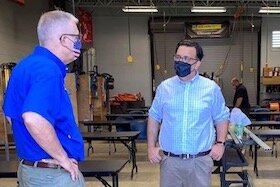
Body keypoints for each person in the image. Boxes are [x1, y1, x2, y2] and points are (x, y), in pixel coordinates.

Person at [3, 10, 85, 187]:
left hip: (31, 170)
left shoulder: (24, 67)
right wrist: (62, 158)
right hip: (52, 175)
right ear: (63, 39)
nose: (79, 43)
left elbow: (11, 115)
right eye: (76, 37)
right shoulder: (49, 71)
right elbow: (33, 118)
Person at [147, 39, 229, 187]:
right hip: (170, 163)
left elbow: (221, 117)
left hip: (199, 162)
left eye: (186, 58)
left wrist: (220, 143)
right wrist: (150, 147)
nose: (180, 61)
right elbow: (154, 118)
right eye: (178, 57)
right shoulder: (164, 88)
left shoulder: (211, 89)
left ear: (197, 63)